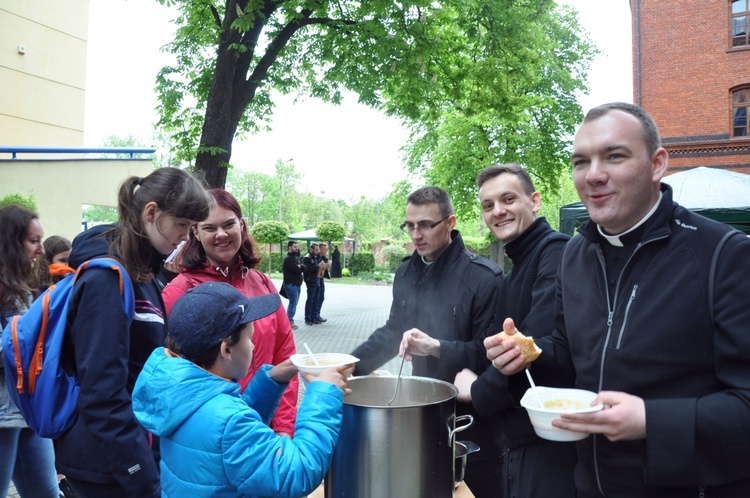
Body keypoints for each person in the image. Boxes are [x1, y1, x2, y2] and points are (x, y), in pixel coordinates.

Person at [486, 102, 750, 496]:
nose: (593, 175)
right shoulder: (574, 255)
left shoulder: (724, 254)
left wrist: (651, 420)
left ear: (657, 163)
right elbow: (569, 353)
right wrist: (528, 355)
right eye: (581, 162)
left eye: (614, 156)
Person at [56, 167, 211, 498]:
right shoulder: (108, 279)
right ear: (151, 213)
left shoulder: (144, 275)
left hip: (125, 454)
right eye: (182, 225)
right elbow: (102, 394)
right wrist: (142, 476)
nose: (186, 237)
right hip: (107, 466)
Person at [350, 186, 503, 498]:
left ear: (449, 223)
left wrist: (439, 348)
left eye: (425, 225)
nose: (416, 234)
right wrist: (348, 367)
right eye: (410, 225)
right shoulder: (406, 271)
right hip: (419, 414)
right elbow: (394, 330)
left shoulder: (485, 278)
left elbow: (490, 356)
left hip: (472, 421)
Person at [132, 282, 350, 497]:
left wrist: (271, 382)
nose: (254, 346)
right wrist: (323, 396)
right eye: (250, 338)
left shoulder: (179, 396)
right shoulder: (229, 422)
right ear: (226, 350)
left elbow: (223, 434)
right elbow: (295, 472)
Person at [453, 164, 575, 498]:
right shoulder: (518, 266)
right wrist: (436, 347)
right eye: (488, 205)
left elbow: (531, 350)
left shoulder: (555, 253)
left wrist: (476, 391)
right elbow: (487, 345)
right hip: (518, 438)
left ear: (534, 201)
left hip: (548, 440)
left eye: (508, 199)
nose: (498, 211)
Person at [161, 189, 299, 437]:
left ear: (242, 225)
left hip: (265, 430)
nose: (221, 235)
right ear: (195, 232)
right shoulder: (179, 292)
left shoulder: (263, 284)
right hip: (214, 434)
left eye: (228, 225)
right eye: (210, 228)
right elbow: (171, 373)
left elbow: (284, 355)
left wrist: (283, 427)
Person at [0, 205, 60, 498]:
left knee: (46, 492)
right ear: (11, 243)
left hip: (28, 410)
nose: (40, 250)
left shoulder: (24, 286)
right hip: (2, 414)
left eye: (41, 240)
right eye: (33, 241)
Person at [281, 240, 304, 330]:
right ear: (289, 247)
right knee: (293, 303)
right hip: (291, 285)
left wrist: (300, 266)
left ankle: (289, 320)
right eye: (294, 247)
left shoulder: (295, 258)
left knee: (294, 303)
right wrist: (300, 267)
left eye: (297, 247)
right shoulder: (288, 259)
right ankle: (290, 322)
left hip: (297, 285)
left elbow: (303, 267)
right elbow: (298, 270)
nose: (296, 248)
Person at [302, 243, 322, 325]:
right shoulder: (307, 258)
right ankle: (308, 318)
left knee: (316, 300)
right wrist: (317, 266)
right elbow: (307, 270)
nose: (317, 251)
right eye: (316, 250)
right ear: (311, 250)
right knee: (310, 300)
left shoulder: (316, 257)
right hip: (311, 281)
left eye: (318, 250)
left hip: (317, 280)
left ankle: (314, 317)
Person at [315, 242, 331, 322]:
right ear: (320, 249)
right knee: (316, 298)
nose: (326, 251)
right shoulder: (316, 257)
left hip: (321, 279)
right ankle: (314, 315)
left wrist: (327, 266)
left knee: (321, 297)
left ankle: (318, 314)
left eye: (326, 249)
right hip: (316, 279)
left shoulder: (324, 258)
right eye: (324, 249)